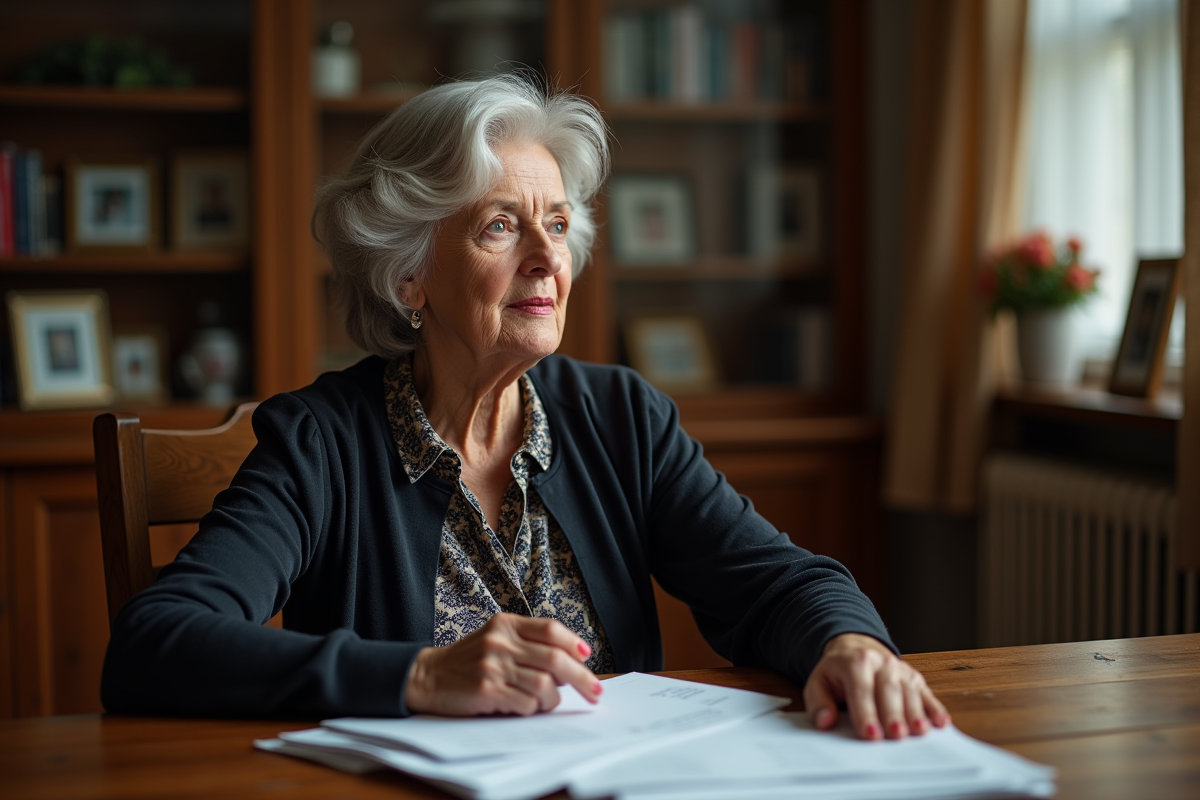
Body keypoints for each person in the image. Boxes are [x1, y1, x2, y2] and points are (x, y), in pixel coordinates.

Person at [102, 74, 949, 741]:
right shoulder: (321, 441)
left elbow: (777, 582)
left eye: (558, 223)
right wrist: (419, 676)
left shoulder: (621, 417)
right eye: (501, 226)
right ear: (410, 274)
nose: (548, 257)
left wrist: (850, 644)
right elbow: (156, 640)